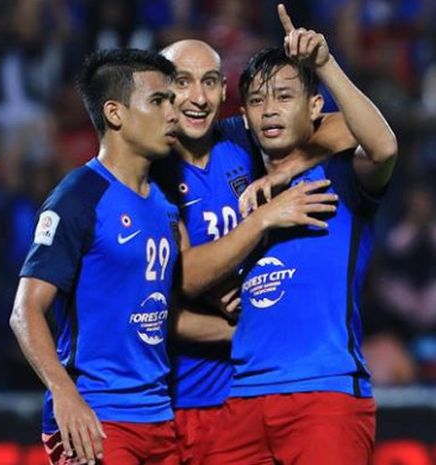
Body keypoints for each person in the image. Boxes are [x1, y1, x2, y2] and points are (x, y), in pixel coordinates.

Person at [10, 48, 337, 465]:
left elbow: (161, 308)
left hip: (158, 417)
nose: (175, 111)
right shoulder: (79, 198)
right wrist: (64, 393)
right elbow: (25, 310)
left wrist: (237, 317)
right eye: (160, 100)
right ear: (115, 114)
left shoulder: (163, 208)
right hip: (96, 416)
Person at [204, 5, 398, 465]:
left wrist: (325, 65)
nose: (270, 109)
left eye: (285, 96)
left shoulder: (344, 176)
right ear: (245, 118)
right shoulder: (240, 185)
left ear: (315, 107)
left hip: (324, 392)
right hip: (242, 397)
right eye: (256, 100)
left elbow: (383, 145)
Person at [156, 38, 356, 465]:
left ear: (225, 94)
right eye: (182, 82)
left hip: (256, 388)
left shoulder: (238, 138)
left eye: (210, 82)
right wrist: (262, 220)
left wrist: (285, 168)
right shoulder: (153, 171)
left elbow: (352, 127)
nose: (197, 97)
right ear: (161, 91)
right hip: (185, 396)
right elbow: (185, 279)